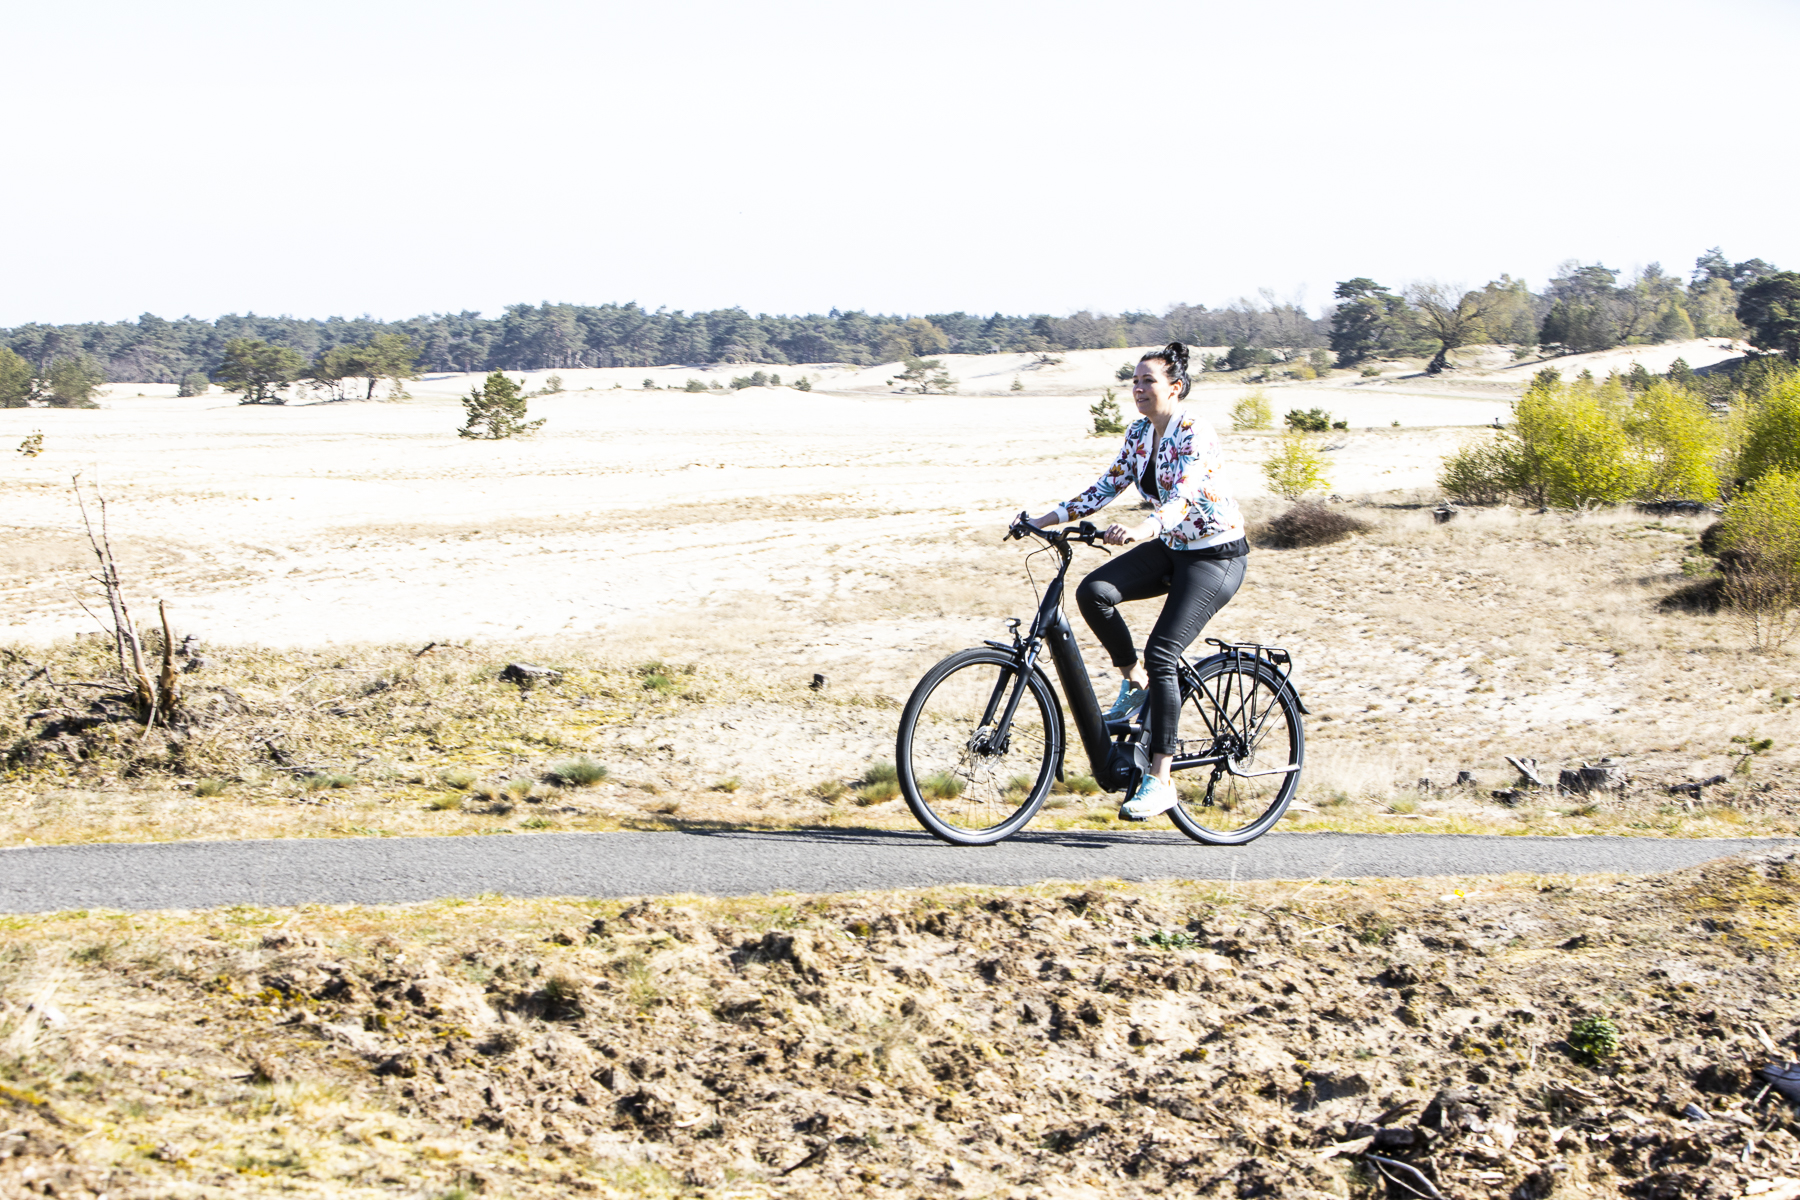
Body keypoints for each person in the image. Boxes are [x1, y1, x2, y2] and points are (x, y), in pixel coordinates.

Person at [1024, 342, 1248, 821]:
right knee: (1094, 592)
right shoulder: (1140, 433)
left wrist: (1146, 528)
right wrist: (1042, 518)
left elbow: (1186, 496)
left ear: (1175, 387)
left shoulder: (1195, 433)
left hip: (1215, 555)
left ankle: (1160, 780)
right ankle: (1134, 683)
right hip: (1174, 547)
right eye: (1135, 380)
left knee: (1164, 651)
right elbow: (1107, 485)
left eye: (1149, 381)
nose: (1139, 388)